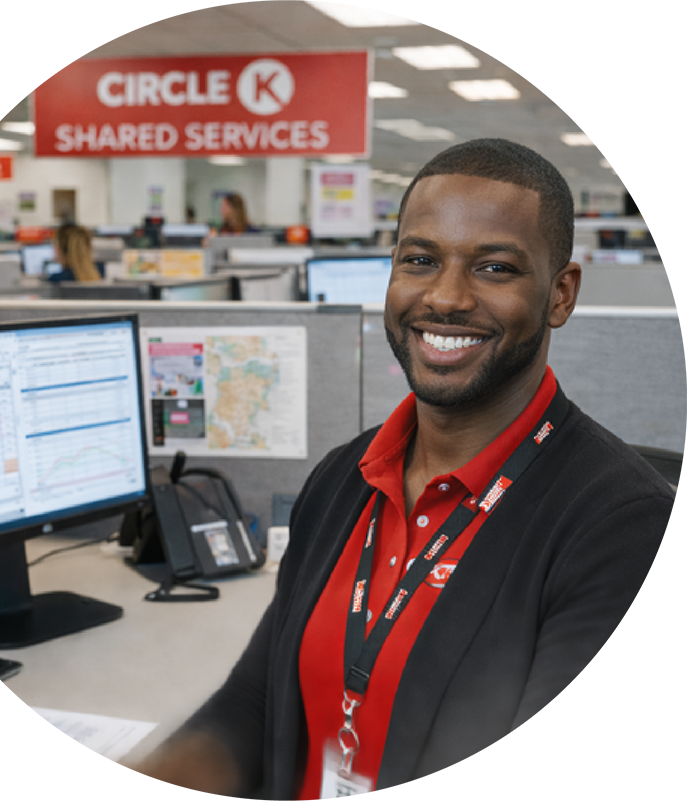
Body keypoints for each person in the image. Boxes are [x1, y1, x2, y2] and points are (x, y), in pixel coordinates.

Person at [129, 139, 673, 800]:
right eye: (419, 259)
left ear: (560, 295)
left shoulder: (628, 532)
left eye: (495, 268)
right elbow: (259, 696)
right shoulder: (344, 478)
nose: (445, 297)